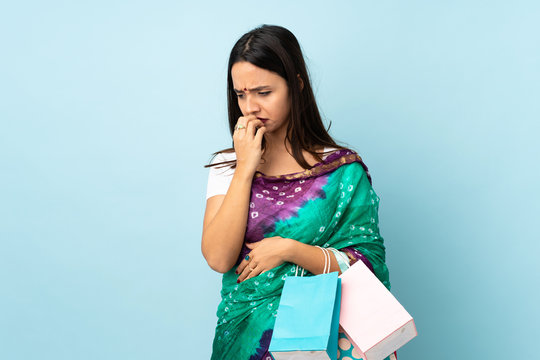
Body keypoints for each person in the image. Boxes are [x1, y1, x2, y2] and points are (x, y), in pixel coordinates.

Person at [202, 24, 396, 360]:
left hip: (320, 341)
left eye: (264, 93)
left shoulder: (341, 171)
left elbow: (367, 269)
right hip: (246, 340)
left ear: (296, 86)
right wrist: (245, 168)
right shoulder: (227, 166)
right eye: (240, 94)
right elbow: (219, 258)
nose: (250, 107)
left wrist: (289, 250)